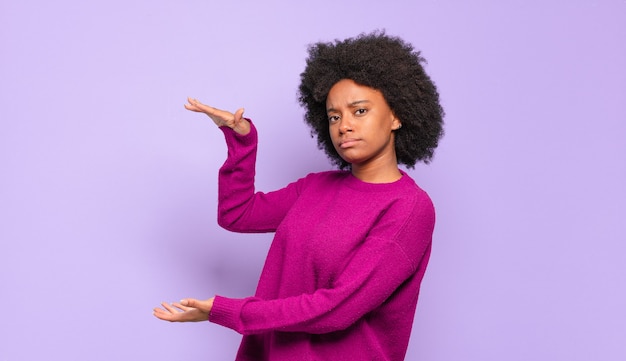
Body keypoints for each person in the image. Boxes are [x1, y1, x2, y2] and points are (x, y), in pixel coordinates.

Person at [153, 31, 444, 361]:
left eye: (359, 111)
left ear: (396, 115)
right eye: (334, 116)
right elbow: (237, 214)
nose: (344, 126)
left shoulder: (409, 208)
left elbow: (338, 308)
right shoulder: (316, 187)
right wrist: (241, 141)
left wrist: (228, 311)